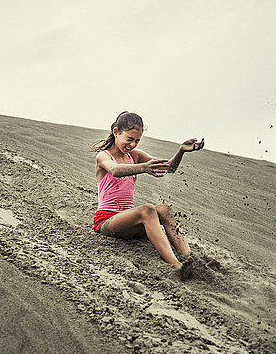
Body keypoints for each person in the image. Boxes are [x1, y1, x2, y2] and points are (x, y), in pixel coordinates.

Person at [93, 111, 219, 280]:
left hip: (131, 224)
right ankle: (177, 265)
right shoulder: (104, 156)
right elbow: (115, 171)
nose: (132, 144)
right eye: (129, 139)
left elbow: (169, 168)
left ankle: (190, 258)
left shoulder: (135, 156)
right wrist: (144, 167)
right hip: (108, 222)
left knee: (164, 209)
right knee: (147, 210)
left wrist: (181, 150)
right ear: (116, 132)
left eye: (137, 141)